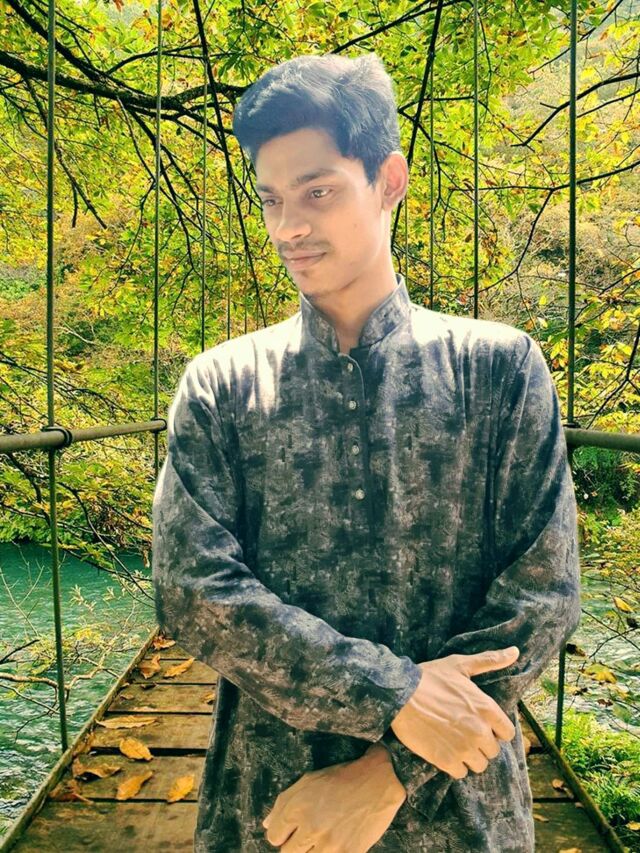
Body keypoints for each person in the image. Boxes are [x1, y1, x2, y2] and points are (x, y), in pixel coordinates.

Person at [152, 51, 582, 853]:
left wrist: (386, 772)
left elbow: (543, 597)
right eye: (271, 199)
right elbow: (191, 591)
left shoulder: (500, 369)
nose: (287, 227)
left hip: (461, 820)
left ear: (390, 181)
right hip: (270, 810)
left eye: (317, 191)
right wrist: (398, 694)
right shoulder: (220, 384)